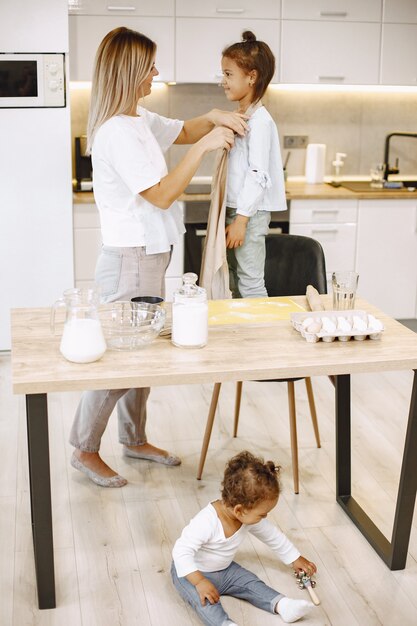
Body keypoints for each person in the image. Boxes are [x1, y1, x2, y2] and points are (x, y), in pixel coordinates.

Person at [69, 26, 248, 488]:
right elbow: (164, 194)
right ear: (129, 71)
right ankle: (85, 449)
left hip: (149, 257)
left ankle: (133, 439)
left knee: (139, 357)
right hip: (129, 260)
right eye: (150, 65)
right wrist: (207, 148)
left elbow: (184, 130)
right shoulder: (115, 133)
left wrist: (212, 117)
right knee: (117, 362)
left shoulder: (138, 119)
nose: (156, 72)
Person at [171, 451, 317, 625]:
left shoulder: (245, 515)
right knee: (205, 602)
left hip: (224, 570)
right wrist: (200, 581)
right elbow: (180, 552)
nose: (265, 518)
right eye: (262, 514)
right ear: (239, 510)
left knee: (251, 582)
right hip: (190, 573)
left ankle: (282, 605)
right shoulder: (207, 522)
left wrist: (294, 558)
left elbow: (272, 536)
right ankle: (225, 624)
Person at [221, 31, 287, 298]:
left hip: (248, 214)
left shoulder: (260, 121)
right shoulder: (243, 116)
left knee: (250, 283)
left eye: (228, 74)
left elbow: (258, 174)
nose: (222, 81)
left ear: (251, 77)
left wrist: (241, 221)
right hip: (238, 211)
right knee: (236, 281)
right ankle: (243, 336)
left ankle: (262, 336)